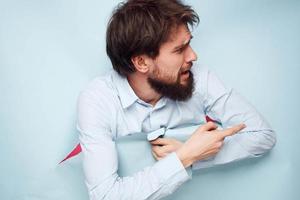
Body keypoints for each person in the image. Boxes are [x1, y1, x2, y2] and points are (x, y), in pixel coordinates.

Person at [77, 0, 276, 199]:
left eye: (189, 44)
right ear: (141, 62)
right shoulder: (97, 100)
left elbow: (262, 135)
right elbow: (105, 196)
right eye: (179, 50)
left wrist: (194, 155)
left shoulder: (198, 78)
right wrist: (183, 158)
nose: (193, 56)